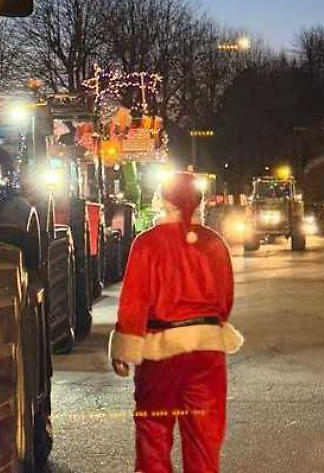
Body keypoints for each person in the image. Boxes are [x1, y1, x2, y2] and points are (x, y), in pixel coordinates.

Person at [110, 172, 243, 473]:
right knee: (204, 442)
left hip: (160, 356)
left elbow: (134, 301)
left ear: (162, 200)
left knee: (153, 437)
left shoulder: (147, 244)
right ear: (199, 202)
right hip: (206, 356)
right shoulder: (214, 243)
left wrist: (123, 349)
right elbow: (225, 301)